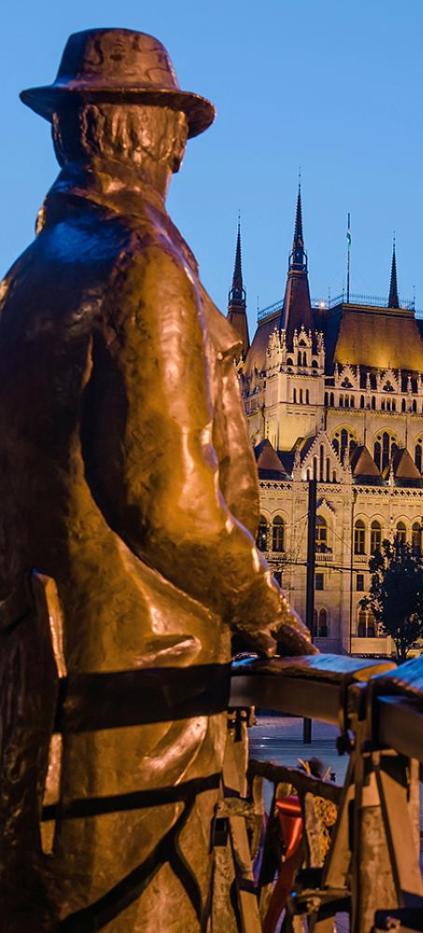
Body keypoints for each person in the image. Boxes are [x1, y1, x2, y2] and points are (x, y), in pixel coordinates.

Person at [0, 29, 312, 929]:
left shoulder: (27, 278)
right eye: (175, 130)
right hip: (138, 722)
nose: (180, 154)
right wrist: (266, 611)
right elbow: (165, 503)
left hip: (40, 700)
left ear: (69, 133)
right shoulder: (142, 267)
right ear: (144, 136)